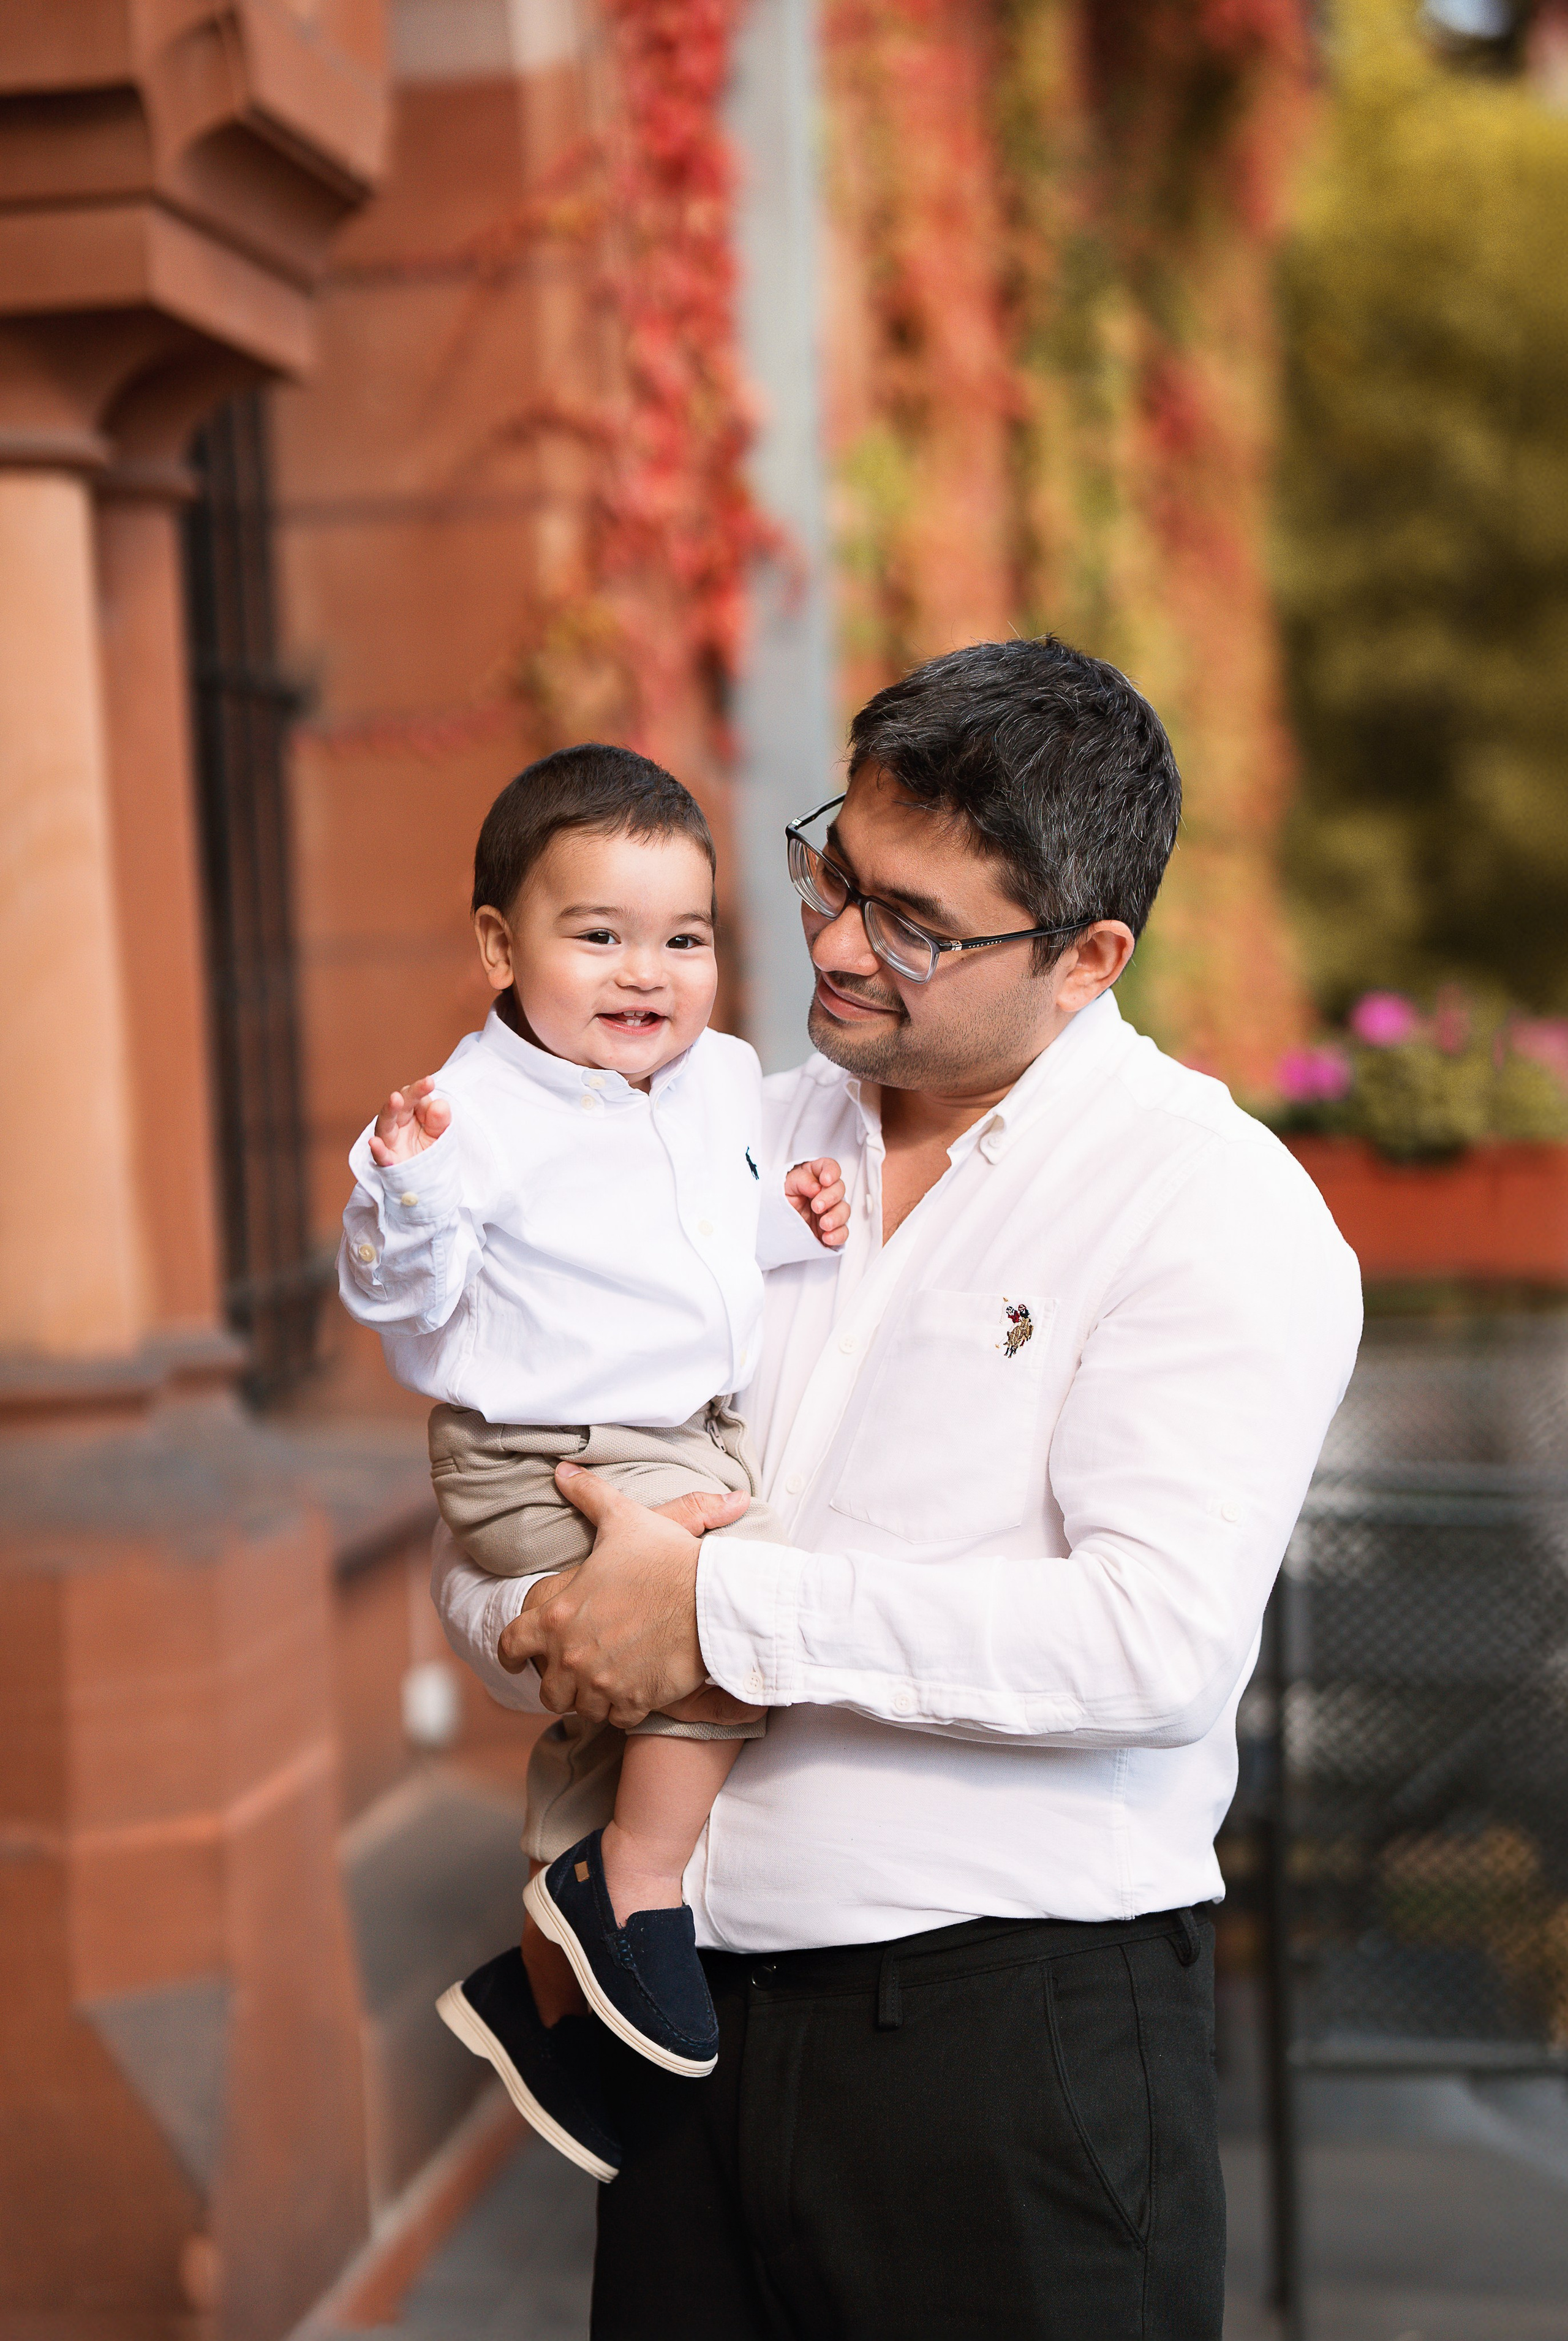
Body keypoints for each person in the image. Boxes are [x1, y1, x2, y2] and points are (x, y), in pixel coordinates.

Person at [437, 637, 1364, 2341]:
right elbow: (524, 1498)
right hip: (688, 2036)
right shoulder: (716, 1134)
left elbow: (1149, 1639)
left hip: (1012, 2067)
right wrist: (536, 1618)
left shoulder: (1211, 1205)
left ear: (1090, 955)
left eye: (917, 923)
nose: (840, 943)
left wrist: (710, 1609)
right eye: (834, 872)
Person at [338, 745, 848, 2181]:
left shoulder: (721, 1080)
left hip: (675, 1431)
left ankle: (543, 1984)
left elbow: (694, 1245)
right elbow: (398, 1295)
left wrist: (791, 1215)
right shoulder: (467, 1113)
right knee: (721, 1614)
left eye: (682, 938)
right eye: (599, 936)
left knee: (615, 1717)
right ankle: (636, 1884)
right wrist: (405, 1183)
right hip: (537, 1456)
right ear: (501, 943)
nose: (649, 975)